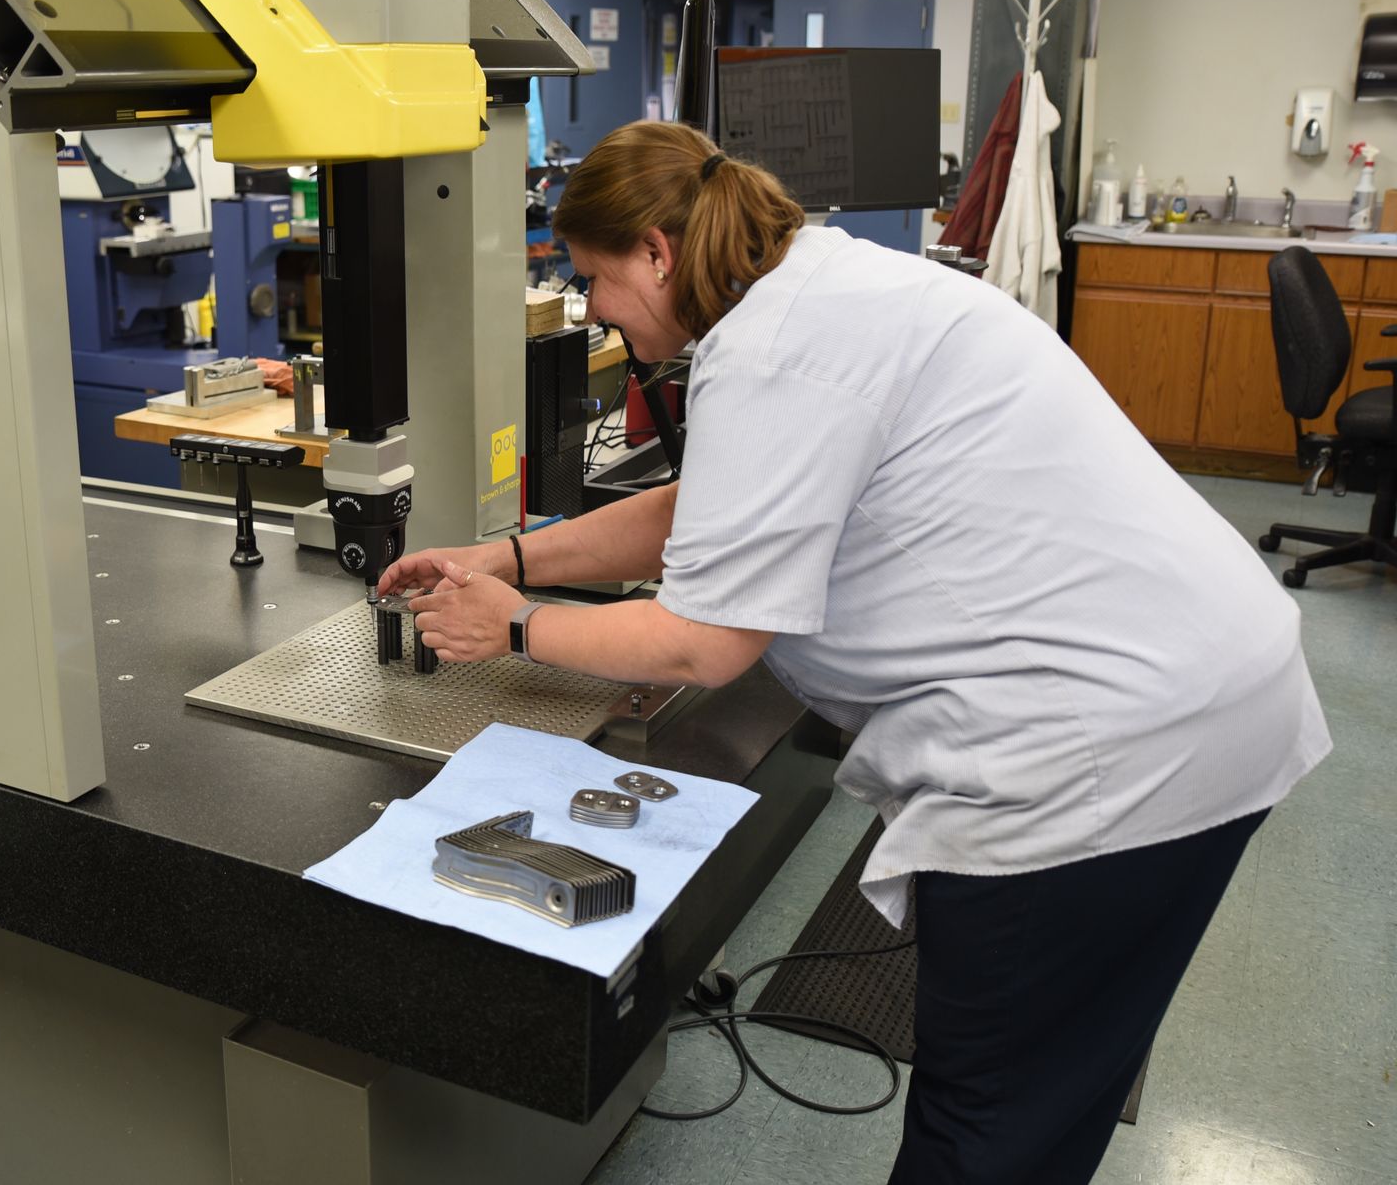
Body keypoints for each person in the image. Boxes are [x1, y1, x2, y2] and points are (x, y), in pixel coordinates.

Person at [375, 120, 1330, 1184]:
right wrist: (511, 554)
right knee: (1059, 1091)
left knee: (986, 1128)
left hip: (1100, 760)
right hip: (1206, 693)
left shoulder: (774, 350)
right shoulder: (826, 282)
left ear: (655, 250)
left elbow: (701, 645)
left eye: (594, 278)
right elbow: (716, 504)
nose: (593, 308)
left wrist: (507, 626)